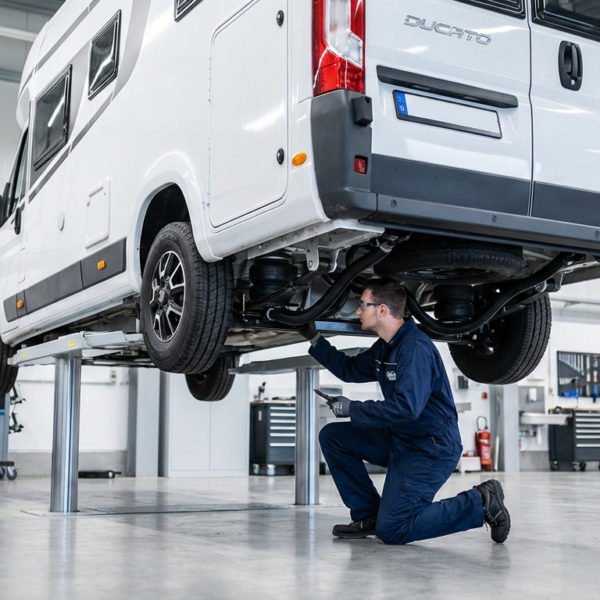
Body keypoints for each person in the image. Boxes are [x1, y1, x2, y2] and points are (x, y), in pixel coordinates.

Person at [300, 279, 510, 545]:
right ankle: (368, 516)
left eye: (363, 305)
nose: (357, 311)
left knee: (395, 529)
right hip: (401, 439)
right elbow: (350, 370)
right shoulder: (386, 347)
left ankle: (480, 501)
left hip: (430, 448)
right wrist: (314, 339)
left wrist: (353, 408)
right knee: (334, 436)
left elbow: (407, 408)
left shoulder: (415, 349)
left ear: (383, 310)